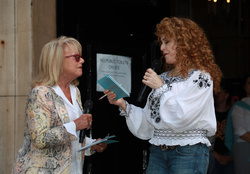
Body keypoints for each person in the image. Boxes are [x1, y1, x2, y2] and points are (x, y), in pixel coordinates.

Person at [104, 17, 222, 174]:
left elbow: (183, 116)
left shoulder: (200, 77)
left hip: (187, 152)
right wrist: (123, 105)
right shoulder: (164, 78)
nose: (161, 47)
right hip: (158, 152)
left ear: (183, 43)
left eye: (166, 42)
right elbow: (150, 122)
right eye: (161, 42)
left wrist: (160, 88)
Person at [12, 36, 107, 174]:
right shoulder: (41, 93)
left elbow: (71, 139)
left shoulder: (75, 92)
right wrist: (76, 124)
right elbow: (40, 139)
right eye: (76, 57)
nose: (82, 60)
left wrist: (91, 145)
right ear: (57, 61)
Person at [207, 82, 235, 174]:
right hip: (212, 155)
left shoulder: (233, 114)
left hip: (230, 156)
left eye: (220, 92)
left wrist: (232, 155)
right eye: (215, 92)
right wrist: (217, 156)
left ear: (227, 95)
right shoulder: (209, 114)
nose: (216, 95)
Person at [226, 74, 250, 174]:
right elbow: (241, 132)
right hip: (245, 149)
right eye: (249, 83)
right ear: (244, 87)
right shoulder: (239, 106)